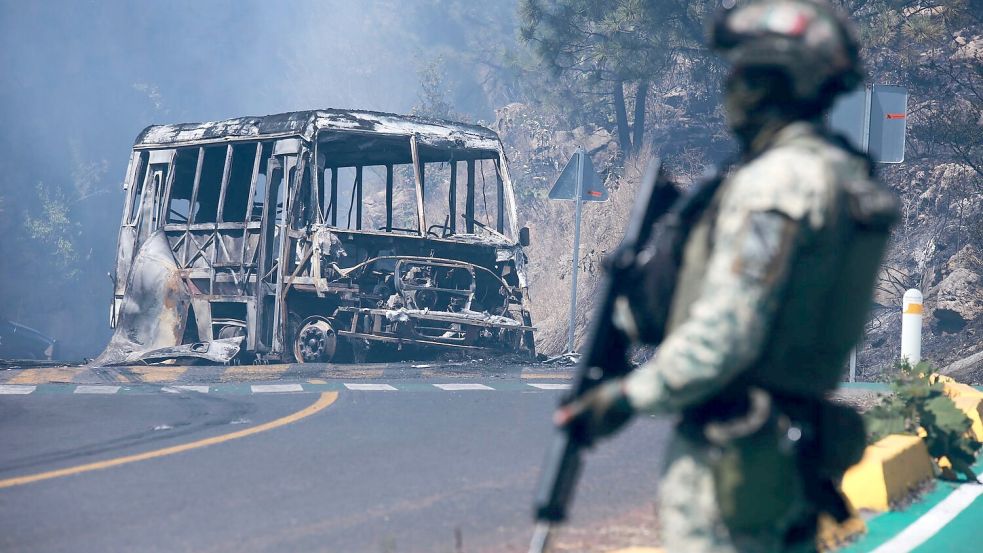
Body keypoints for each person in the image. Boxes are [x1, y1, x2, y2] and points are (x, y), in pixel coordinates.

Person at [556, 1, 899, 551]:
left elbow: (727, 335)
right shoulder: (847, 180)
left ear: (772, 82)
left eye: (743, 74)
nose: (730, 89)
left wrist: (623, 397)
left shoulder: (777, 187)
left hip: (733, 464)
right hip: (794, 458)